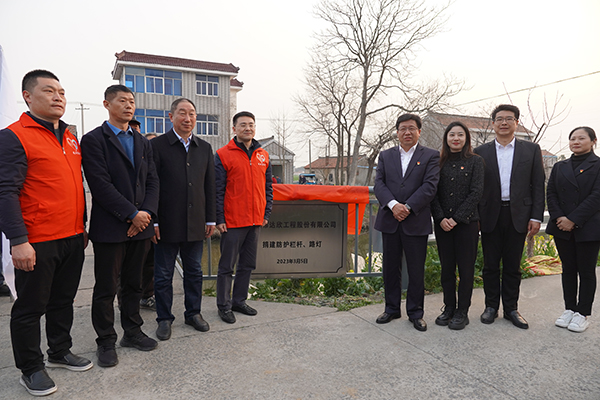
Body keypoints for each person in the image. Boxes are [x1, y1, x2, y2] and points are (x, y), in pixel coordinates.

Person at [0, 70, 92, 396]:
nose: (58, 97)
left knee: (63, 300)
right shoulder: (14, 136)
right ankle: (30, 368)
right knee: (30, 307)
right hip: (37, 240)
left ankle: (59, 351)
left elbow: (75, 185)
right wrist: (18, 241)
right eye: (49, 91)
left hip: (72, 236)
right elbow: (6, 192)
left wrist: (82, 228)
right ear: (27, 96)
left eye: (62, 92)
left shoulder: (69, 136)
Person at [81, 85, 159, 368]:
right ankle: (105, 340)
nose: (129, 106)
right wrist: (131, 214)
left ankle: (132, 331)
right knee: (106, 287)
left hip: (141, 226)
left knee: (134, 284)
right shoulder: (93, 140)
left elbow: (152, 181)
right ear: (107, 104)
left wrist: (146, 213)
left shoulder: (142, 141)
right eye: (122, 101)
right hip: (111, 227)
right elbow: (100, 185)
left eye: (132, 101)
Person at [474, 104, 545, 329]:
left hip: (519, 214)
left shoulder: (531, 150)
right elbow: (475, 187)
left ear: (516, 123)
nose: (504, 123)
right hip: (489, 214)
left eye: (509, 119)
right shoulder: (480, 151)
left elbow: (538, 185)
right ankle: (491, 307)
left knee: (513, 265)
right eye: (499, 119)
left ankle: (511, 309)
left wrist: (536, 217)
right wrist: (476, 216)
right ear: (493, 123)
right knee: (490, 265)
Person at [151, 98, 216, 340]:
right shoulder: (157, 146)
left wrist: (211, 219)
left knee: (194, 271)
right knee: (163, 275)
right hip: (166, 223)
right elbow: (151, 185)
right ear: (171, 117)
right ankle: (164, 319)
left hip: (196, 222)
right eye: (182, 113)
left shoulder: (204, 148)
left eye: (192, 114)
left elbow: (210, 186)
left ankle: (193, 313)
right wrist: (154, 221)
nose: (187, 118)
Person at [373, 113, 440, 332]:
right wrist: (394, 205)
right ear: (397, 132)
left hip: (416, 220)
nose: (407, 132)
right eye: (403, 128)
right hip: (390, 219)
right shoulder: (385, 156)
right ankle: (391, 308)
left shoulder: (431, 155)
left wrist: (408, 207)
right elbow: (379, 184)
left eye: (412, 128)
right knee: (390, 268)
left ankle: (416, 313)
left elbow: (430, 186)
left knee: (416, 270)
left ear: (419, 131)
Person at [215, 111, 273, 324]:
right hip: (232, 221)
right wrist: (219, 218)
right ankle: (224, 306)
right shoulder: (223, 154)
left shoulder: (263, 155)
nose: (248, 128)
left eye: (251, 125)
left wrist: (266, 213)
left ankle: (239, 301)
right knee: (226, 266)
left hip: (255, 220)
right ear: (234, 129)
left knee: (247, 264)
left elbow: (268, 187)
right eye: (243, 125)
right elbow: (217, 189)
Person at [431, 122, 484, 330]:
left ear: (466, 138)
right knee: (447, 269)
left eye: (460, 135)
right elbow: (432, 193)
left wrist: (457, 218)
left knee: (466, 269)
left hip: (466, 224)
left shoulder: (476, 161)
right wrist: (440, 218)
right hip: (443, 224)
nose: (456, 138)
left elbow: (476, 192)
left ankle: (463, 311)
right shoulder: (438, 162)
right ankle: (449, 307)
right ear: (446, 138)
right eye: (452, 134)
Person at [547, 126, 600, 333]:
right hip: (562, 226)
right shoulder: (560, 166)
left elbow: (597, 196)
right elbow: (551, 193)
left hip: (588, 226)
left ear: (593, 141)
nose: (576, 142)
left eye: (581, 138)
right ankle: (569, 308)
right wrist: (560, 218)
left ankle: (582, 313)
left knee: (586, 271)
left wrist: (573, 219)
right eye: (572, 139)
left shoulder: (598, 165)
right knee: (568, 269)